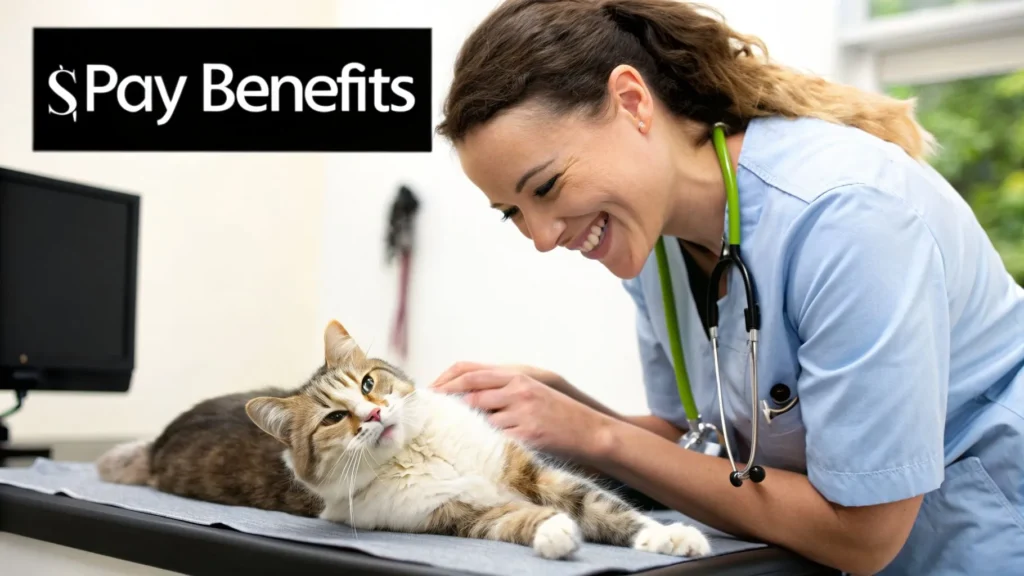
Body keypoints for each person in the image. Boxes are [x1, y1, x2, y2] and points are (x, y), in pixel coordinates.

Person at [428, 1, 1024, 574]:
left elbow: (863, 536)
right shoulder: (655, 237)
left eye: (547, 187)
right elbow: (695, 440)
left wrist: (598, 435)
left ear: (632, 102)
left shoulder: (847, 218)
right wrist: (564, 412)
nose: (541, 237)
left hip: (982, 541)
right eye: (512, 212)